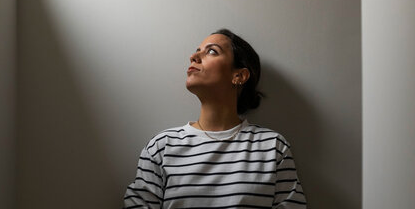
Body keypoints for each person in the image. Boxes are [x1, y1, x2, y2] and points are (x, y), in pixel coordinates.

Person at [123, 29, 307, 208]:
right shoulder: (162, 146)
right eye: (197, 51)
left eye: (211, 51)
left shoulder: (273, 146)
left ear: (239, 76)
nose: (193, 57)